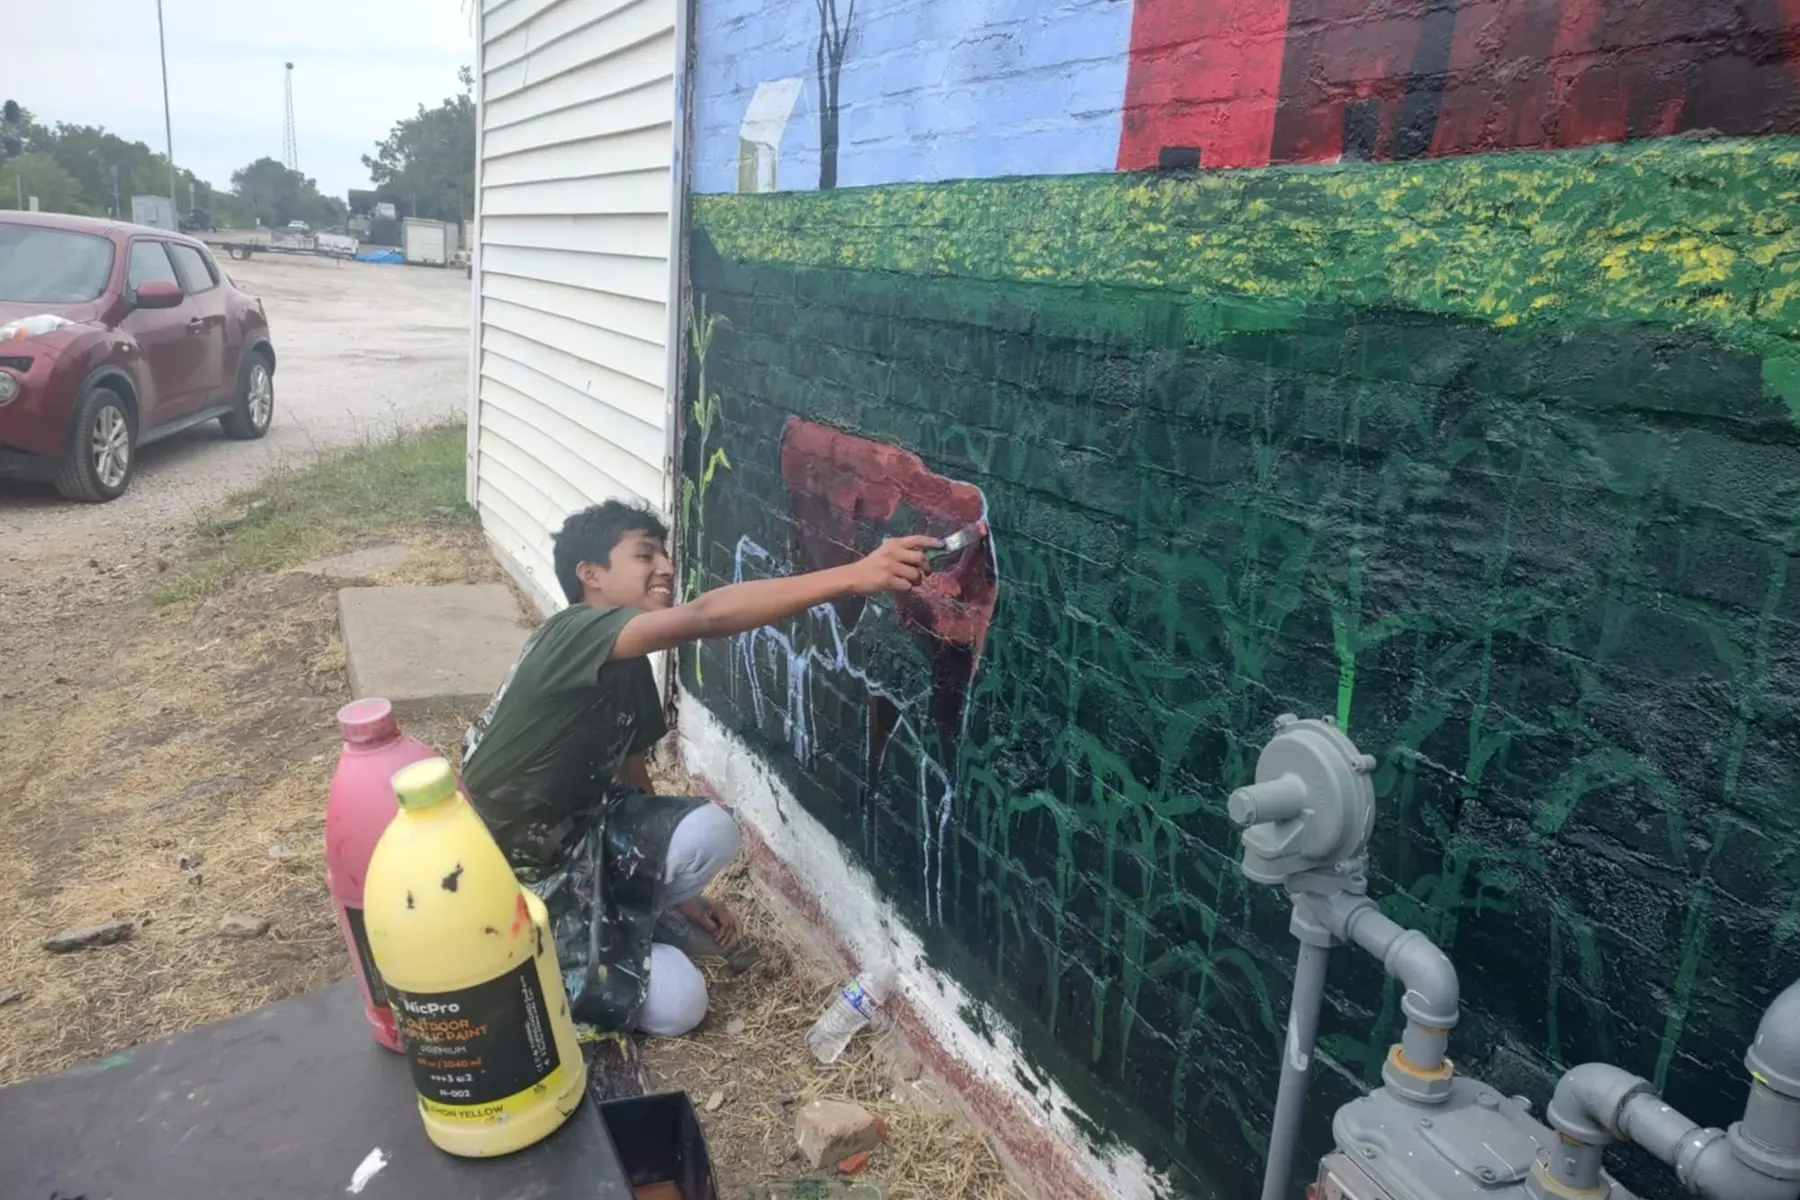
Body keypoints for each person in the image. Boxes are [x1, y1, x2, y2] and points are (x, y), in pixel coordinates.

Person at [461, 500, 935, 1037]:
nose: (666, 566)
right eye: (645, 555)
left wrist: (678, 895)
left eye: (665, 554)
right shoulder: (573, 632)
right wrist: (854, 575)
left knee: (710, 828)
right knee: (681, 1007)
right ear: (590, 575)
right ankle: (547, 954)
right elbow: (705, 616)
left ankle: (634, 917)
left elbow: (635, 784)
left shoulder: (629, 668)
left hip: (583, 846)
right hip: (508, 877)